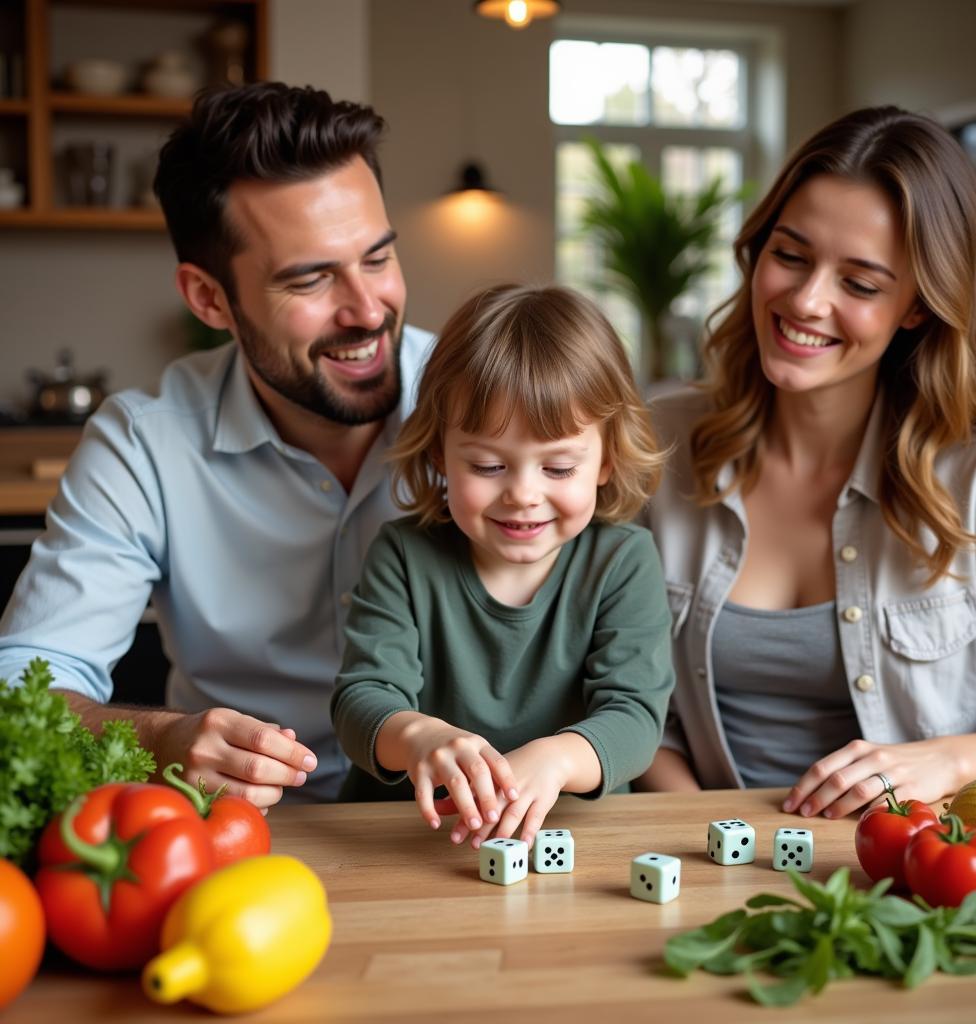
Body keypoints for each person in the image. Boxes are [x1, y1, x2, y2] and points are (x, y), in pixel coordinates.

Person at [0, 82, 434, 807]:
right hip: (231, 834)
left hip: (448, 831)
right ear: (209, 299)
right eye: (312, 279)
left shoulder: (483, 405)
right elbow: (24, 693)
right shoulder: (145, 443)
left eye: (378, 258)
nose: (367, 310)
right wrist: (160, 742)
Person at [637, 105, 976, 817]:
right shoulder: (657, 442)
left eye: (861, 284)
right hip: (696, 855)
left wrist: (946, 759)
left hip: (904, 873)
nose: (808, 301)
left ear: (916, 307)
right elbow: (615, 693)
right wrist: (707, 837)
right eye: (790, 255)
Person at [331, 284, 674, 848]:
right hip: (402, 837)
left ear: (607, 459)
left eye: (559, 468)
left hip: (572, 837)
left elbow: (634, 717)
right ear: (440, 453)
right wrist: (418, 736)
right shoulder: (403, 553)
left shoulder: (623, 561)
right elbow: (360, 698)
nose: (522, 494)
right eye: (489, 466)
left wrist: (557, 759)